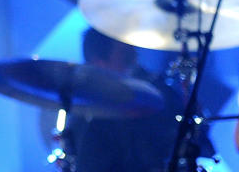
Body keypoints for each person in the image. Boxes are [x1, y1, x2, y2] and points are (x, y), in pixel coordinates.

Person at [68, 28, 192, 172]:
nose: (135, 64)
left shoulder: (157, 92)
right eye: (125, 57)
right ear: (98, 63)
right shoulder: (85, 119)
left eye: (134, 54)